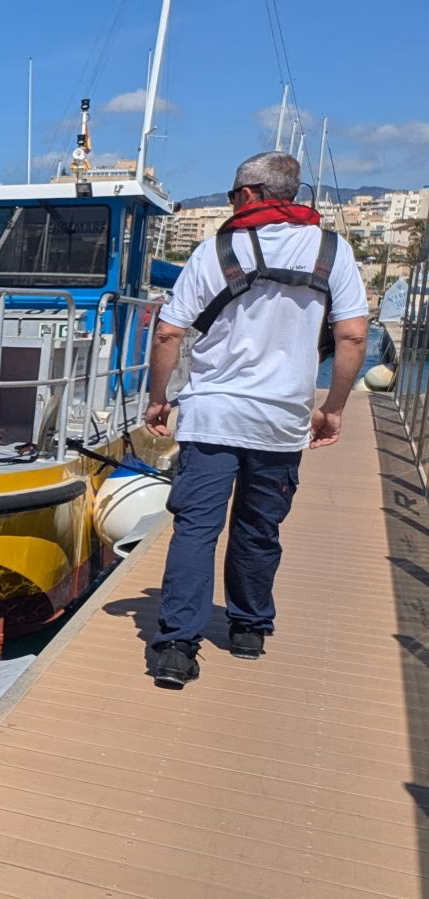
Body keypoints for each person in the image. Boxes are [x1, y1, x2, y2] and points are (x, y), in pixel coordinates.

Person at [143, 151, 369, 689]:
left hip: (212, 412)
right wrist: (332, 409)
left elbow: (169, 333)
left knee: (196, 529)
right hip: (282, 419)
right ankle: (247, 630)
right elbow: (353, 336)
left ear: (246, 194)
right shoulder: (333, 251)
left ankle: (177, 647)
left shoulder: (214, 250)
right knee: (259, 525)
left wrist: (158, 398)